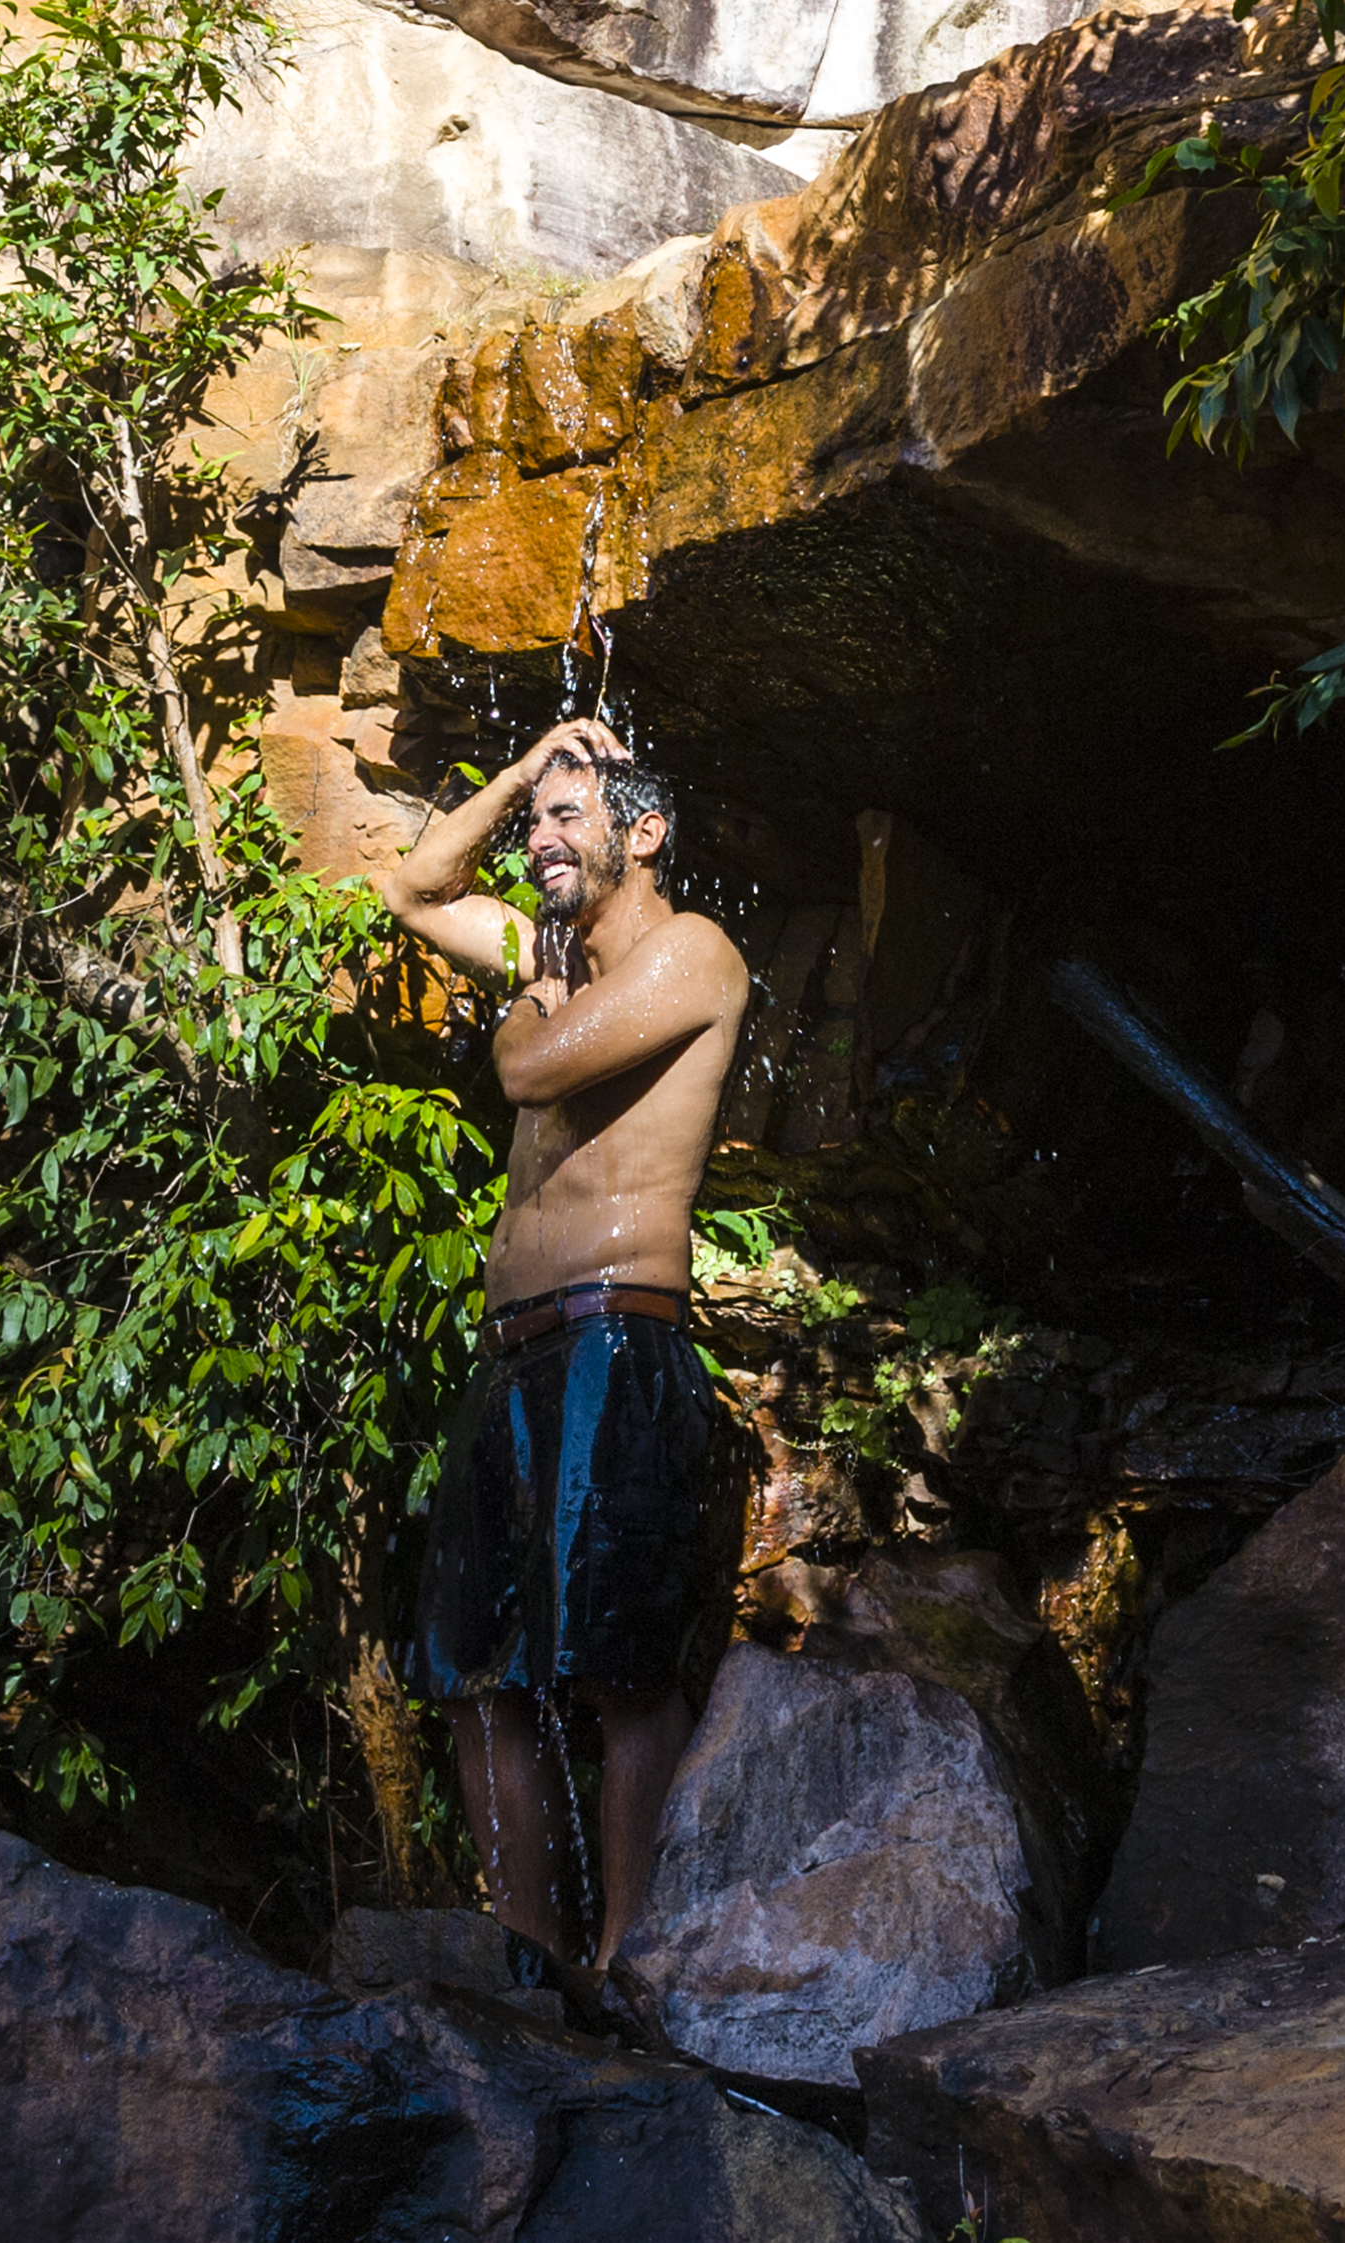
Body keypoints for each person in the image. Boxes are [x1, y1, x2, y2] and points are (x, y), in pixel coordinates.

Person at [370, 714, 752, 1978]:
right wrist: (524, 766)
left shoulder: (690, 953)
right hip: (514, 1352)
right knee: (480, 1673)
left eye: (568, 814)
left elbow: (533, 1075)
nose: (541, 836)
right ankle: (525, 1960)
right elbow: (414, 888)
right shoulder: (547, 953)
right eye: (538, 819)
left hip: (613, 1342)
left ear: (643, 835)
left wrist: (526, 1012)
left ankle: (628, 1959)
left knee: (616, 1672)